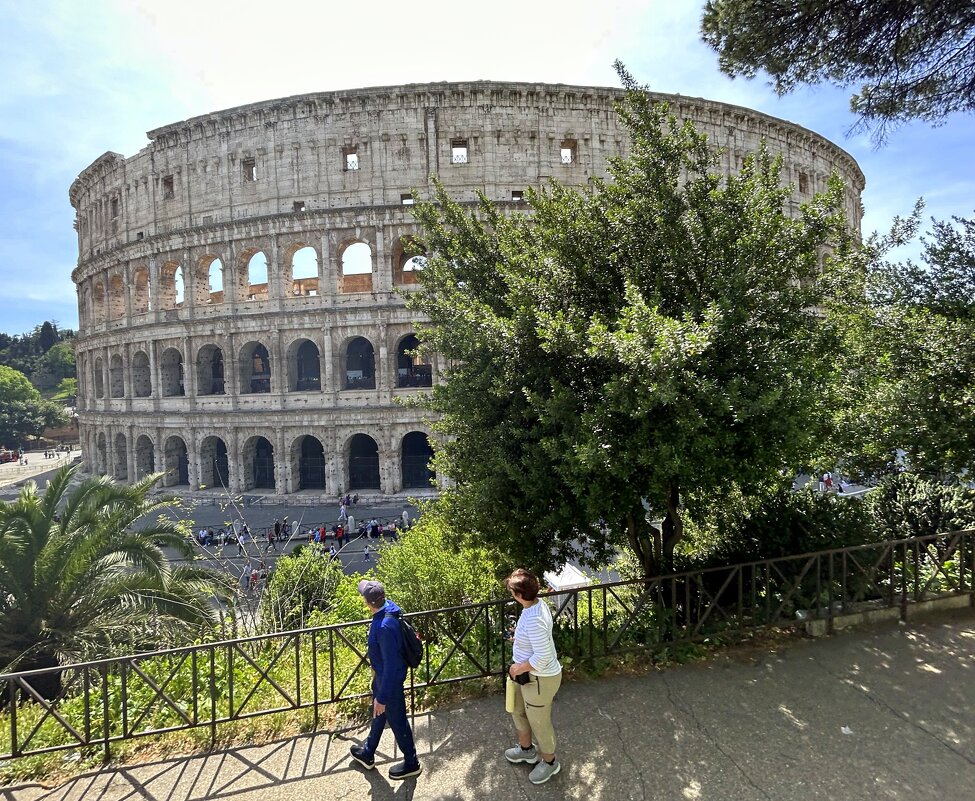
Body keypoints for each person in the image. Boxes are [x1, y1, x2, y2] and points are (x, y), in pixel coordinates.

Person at [349, 580, 421, 780]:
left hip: (389, 680)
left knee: (397, 720)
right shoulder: (389, 609)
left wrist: (382, 696)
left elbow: (390, 665)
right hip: (383, 677)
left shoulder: (384, 627)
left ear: (368, 602)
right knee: (379, 713)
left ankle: (412, 762)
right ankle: (368, 751)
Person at [504, 568, 562, 785]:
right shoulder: (534, 605)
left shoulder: (534, 618)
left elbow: (544, 656)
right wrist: (518, 639)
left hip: (539, 679)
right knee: (518, 710)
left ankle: (549, 763)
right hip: (527, 676)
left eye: (511, 590)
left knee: (539, 722)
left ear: (519, 595)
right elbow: (536, 642)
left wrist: (518, 669)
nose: (510, 594)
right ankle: (526, 750)